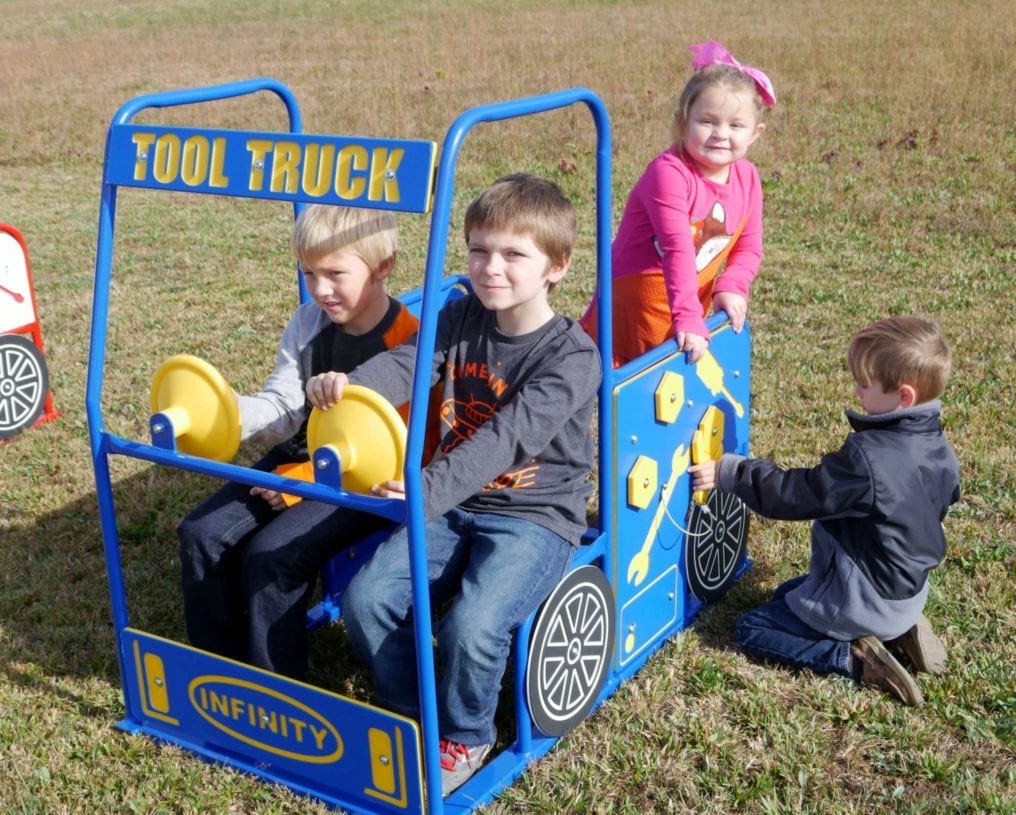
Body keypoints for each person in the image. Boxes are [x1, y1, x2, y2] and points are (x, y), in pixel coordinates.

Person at [307, 174, 601, 795]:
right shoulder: (459, 314)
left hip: (536, 514)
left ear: (557, 266)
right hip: (450, 499)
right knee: (367, 602)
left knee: (472, 625)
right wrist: (352, 388)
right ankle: (411, 711)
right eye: (478, 250)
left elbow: (508, 438)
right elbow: (408, 365)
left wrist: (424, 492)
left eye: (513, 254)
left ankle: (465, 736)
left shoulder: (573, 356)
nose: (490, 268)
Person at [178, 203, 420, 681]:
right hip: (299, 459)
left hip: (363, 483)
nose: (320, 289)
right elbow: (284, 405)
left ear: (383, 266)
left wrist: (304, 481)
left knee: (273, 558)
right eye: (309, 272)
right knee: (200, 534)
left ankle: (278, 690)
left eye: (334, 273)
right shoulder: (309, 323)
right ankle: (218, 668)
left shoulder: (408, 343)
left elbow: (395, 453)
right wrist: (227, 414)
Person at [688, 316, 961, 706]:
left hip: (867, 600)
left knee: (753, 627)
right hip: (908, 590)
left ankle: (855, 658)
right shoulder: (937, 445)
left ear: (904, 397)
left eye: (865, 385)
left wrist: (732, 471)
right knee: (787, 593)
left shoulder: (868, 461)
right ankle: (899, 627)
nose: (856, 390)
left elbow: (795, 494)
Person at [582, 39, 775, 366]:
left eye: (736, 125)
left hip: (685, 302)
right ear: (684, 120)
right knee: (624, 392)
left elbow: (749, 246)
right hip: (635, 303)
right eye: (708, 121)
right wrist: (687, 315)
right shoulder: (669, 173)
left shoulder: (748, 178)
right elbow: (677, 246)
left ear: (755, 133)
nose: (721, 134)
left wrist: (732, 285)